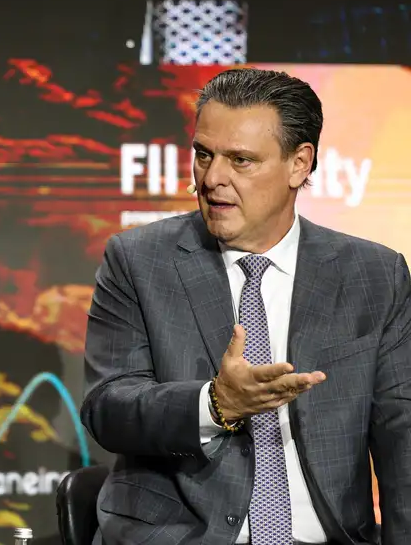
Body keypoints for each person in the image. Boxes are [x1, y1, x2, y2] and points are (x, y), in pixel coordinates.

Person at [80, 68, 411, 544]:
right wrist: (215, 404)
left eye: (241, 160)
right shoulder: (138, 260)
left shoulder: (374, 275)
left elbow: (402, 439)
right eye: (203, 155)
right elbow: (107, 409)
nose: (212, 178)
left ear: (299, 164)